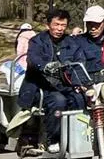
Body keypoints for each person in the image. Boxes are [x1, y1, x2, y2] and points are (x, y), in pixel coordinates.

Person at [17, 8, 80, 148]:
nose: (59, 29)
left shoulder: (71, 42)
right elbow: (32, 59)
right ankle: (54, 140)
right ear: (48, 25)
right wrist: (45, 66)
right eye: (56, 25)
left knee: (82, 99)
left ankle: (78, 137)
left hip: (65, 85)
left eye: (63, 25)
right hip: (41, 87)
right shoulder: (37, 41)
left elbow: (79, 61)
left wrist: (81, 82)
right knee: (59, 101)